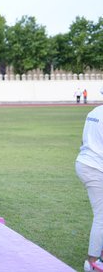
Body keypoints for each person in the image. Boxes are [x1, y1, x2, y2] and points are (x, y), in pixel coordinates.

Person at [76, 101, 103, 272]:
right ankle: (92, 262)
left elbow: (84, 139)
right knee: (101, 215)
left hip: (85, 162)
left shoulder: (94, 111)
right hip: (95, 167)